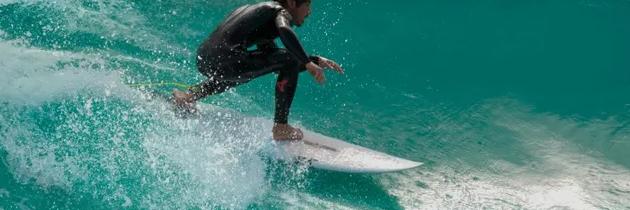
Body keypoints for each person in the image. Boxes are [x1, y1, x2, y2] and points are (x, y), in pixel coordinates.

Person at [172, 0, 344, 141]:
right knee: (287, 59)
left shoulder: (259, 13)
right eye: (308, 6)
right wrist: (307, 62)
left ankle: (188, 96)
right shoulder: (279, 11)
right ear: (292, 3)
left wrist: (315, 60)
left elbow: (274, 61)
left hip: (205, 59)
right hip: (226, 61)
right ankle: (281, 127)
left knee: (245, 70)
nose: (309, 12)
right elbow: (285, 31)